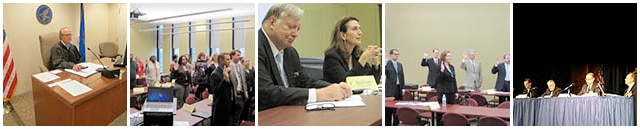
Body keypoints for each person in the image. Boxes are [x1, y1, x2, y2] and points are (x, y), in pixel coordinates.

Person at [258, 3, 352, 111]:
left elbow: (305, 81)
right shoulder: (258, 47)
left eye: (298, 29)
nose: (295, 34)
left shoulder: (290, 52)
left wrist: (335, 88)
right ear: (272, 22)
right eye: (291, 27)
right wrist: (319, 94)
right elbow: (266, 92)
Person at [323, 16, 381, 84]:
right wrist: (363, 59)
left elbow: (373, 82)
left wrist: (375, 63)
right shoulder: (332, 56)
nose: (360, 33)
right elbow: (347, 82)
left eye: (359, 29)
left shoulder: (357, 55)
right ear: (343, 35)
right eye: (354, 29)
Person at [211, 52, 234, 126]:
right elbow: (216, 91)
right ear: (221, 61)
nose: (230, 61)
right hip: (220, 108)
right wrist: (224, 79)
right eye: (227, 59)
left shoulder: (227, 71)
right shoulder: (215, 73)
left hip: (228, 105)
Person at [229, 50, 248, 125]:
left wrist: (246, 93)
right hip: (234, 95)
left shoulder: (241, 67)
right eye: (237, 55)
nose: (239, 56)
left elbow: (244, 81)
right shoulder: (229, 67)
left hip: (242, 94)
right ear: (232, 56)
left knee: (239, 115)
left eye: (240, 55)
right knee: (233, 116)